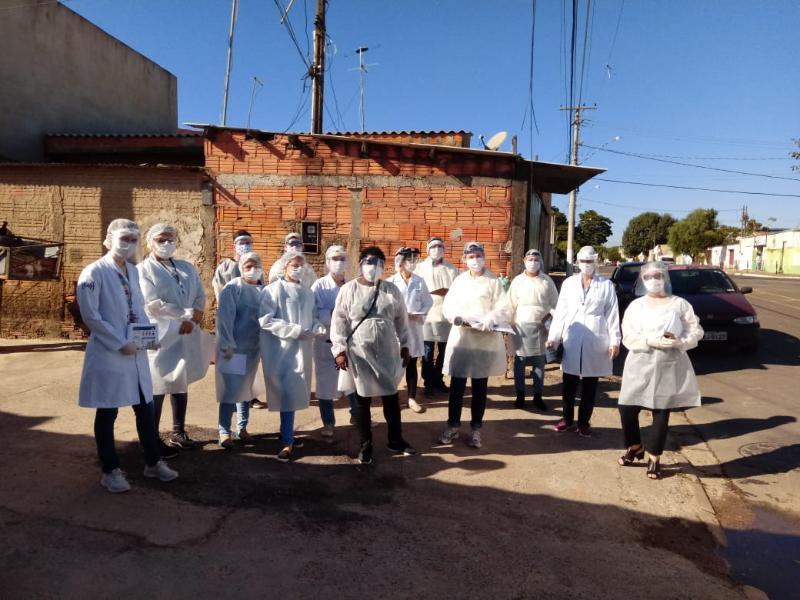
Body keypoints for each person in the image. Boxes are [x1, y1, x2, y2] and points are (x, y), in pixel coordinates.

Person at [77, 218, 178, 493]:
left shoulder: (133, 271)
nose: (129, 244)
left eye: (134, 240)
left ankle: (153, 463)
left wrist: (150, 337)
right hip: (110, 353)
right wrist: (119, 342)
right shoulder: (93, 273)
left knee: (144, 407)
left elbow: (140, 309)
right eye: (124, 239)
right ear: (108, 240)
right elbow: (91, 316)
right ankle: (110, 470)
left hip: (135, 353)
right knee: (108, 410)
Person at [617, 261, 703, 479]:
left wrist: (679, 342)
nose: (654, 280)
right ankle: (635, 446)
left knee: (661, 411)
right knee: (627, 407)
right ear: (643, 281)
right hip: (640, 361)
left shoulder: (679, 304)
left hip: (668, 363)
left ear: (665, 277)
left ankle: (654, 457)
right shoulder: (636, 306)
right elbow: (627, 334)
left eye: (658, 275)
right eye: (648, 277)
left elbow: (696, 330)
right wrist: (648, 340)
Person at [330, 245, 416, 464]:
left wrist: (406, 346)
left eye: (378, 262)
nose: (373, 266)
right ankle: (365, 445)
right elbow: (338, 321)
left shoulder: (391, 290)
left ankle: (395, 440)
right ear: (360, 263)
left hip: (387, 350)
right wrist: (339, 350)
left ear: (384, 266)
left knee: (390, 397)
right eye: (369, 261)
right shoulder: (348, 289)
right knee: (362, 399)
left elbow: (402, 321)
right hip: (359, 352)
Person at [138, 223, 209, 457]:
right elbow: (152, 303)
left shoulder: (186, 267)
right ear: (150, 242)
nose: (167, 243)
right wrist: (185, 316)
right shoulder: (143, 270)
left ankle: (178, 432)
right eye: (161, 239)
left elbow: (199, 292)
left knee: (180, 378)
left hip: (185, 332)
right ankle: (152, 437)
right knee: (157, 384)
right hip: (159, 334)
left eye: (170, 239)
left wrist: (196, 315)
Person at [438, 241, 511, 449]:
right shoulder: (459, 281)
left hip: (484, 340)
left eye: (478, 255)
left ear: (484, 257)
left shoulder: (493, 281)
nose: (475, 259)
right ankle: (452, 426)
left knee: (480, 388)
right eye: (471, 256)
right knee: (457, 387)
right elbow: (448, 305)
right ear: (464, 259)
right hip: (462, 339)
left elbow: (504, 307)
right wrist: (456, 317)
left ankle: (476, 430)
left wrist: (492, 317)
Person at [546, 245, 620, 437]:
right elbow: (561, 312)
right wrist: (553, 337)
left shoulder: (606, 285)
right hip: (573, 335)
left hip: (596, 337)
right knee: (568, 382)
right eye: (583, 261)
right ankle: (567, 419)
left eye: (590, 261)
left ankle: (584, 422)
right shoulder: (569, 284)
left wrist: (615, 341)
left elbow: (612, 314)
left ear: (595, 261)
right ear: (577, 262)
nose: (587, 265)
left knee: (590, 384)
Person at [260, 251, 325, 462]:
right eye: (294, 265)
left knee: (295, 393)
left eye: (301, 265)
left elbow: (313, 316)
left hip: (302, 351)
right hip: (281, 351)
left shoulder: (307, 292)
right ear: (284, 266)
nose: (298, 268)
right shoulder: (272, 291)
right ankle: (287, 441)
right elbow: (266, 320)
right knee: (286, 394)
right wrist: (295, 330)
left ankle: (287, 433)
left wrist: (316, 327)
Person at [213, 229, 267, 410]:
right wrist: (227, 338)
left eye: (248, 242)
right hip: (234, 330)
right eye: (242, 242)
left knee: (249, 372)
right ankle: (226, 427)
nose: (245, 245)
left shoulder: (257, 270)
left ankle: (248, 400)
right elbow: (222, 300)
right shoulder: (226, 270)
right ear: (234, 245)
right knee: (233, 377)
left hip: (250, 332)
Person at [215, 252, 265, 448]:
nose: (252, 270)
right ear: (241, 268)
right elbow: (224, 319)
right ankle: (224, 431)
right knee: (231, 391)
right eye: (247, 266)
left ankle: (242, 428)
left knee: (246, 389)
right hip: (234, 349)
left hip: (253, 348)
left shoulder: (263, 290)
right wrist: (227, 344)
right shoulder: (233, 288)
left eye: (256, 265)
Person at [311, 245, 356, 437]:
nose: (339, 262)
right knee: (325, 386)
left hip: (349, 341)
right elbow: (316, 313)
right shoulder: (319, 286)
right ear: (328, 262)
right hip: (326, 342)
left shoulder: (352, 285)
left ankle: (357, 415)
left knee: (353, 381)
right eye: (334, 259)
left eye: (342, 258)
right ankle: (328, 423)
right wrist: (337, 315)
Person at [507, 249, 559, 411]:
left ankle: (538, 395)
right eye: (530, 259)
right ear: (524, 261)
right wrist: (506, 325)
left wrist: (553, 323)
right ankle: (520, 395)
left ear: (540, 262)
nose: (533, 262)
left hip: (541, 327)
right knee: (520, 362)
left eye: (536, 259)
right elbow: (510, 304)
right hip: (521, 327)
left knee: (539, 362)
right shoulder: (517, 281)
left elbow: (556, 305)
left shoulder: (547, 281)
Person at [388, 247, 433, 413]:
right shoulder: (391, 282)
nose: (413, 263)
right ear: (401, 262)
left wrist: (420, 314)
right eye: (410, 259)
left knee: (412, 362)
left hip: (414, 327)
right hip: (395, 328)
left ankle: (412, 398)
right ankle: (391, 396)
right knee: (394, 363)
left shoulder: (419, 281)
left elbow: (428, 302)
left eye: (415, 259)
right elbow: (385, 305)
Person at [416, 236, 458, 395]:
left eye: (440, 246)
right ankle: (428, 382)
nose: (436, 249)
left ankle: (438, 379)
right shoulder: (420, 268)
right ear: (428, 249)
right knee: (427, 350)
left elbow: (456, 289)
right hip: (427, 314)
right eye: (433, 246)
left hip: (445, 314)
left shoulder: (451, 268)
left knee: (444, 349)